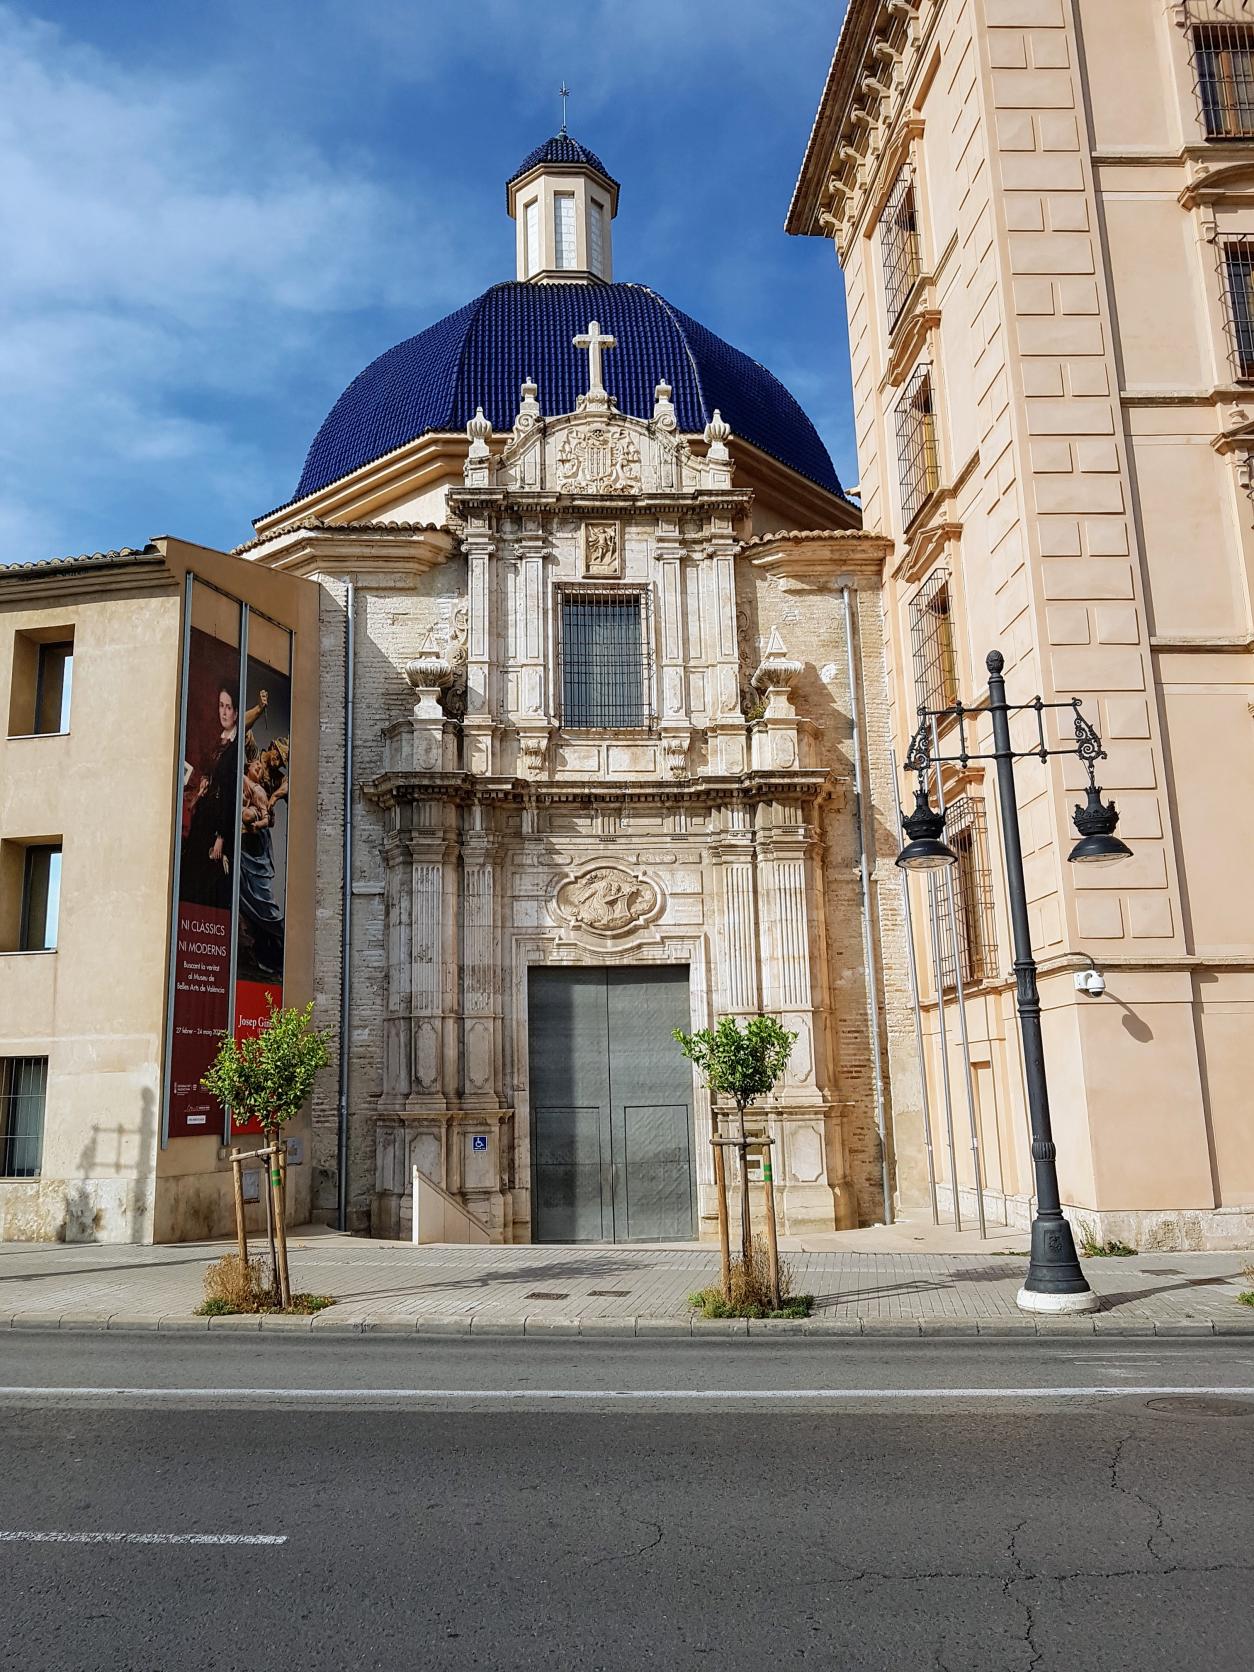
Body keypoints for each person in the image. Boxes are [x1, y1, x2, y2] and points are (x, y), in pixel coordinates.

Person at [180, 684, 239, 910]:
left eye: (229, 707)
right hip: (203, 819)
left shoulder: (234, 748)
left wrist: (221, 837)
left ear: (236, 712)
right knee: (192, 874)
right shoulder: (218, 740)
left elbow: (229, 795)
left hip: (216, 826)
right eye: (221, 706)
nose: (224, 712)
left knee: (206, 882)